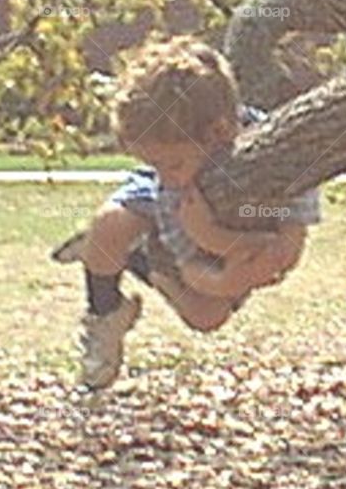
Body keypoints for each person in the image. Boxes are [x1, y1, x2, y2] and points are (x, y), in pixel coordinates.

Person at [54, 36, 321, 389]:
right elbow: (187, 254)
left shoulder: (284, 158)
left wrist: (221, 258)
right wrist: (212, 237)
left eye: (170, 162)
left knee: (206, 317)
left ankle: (139, 258)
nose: (163, 175)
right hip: (180, 220)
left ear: (220, 133)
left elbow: (285, 252)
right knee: (111, 225)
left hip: (219, 234)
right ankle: (105, 311)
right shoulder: (170, 184)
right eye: (152, 163)